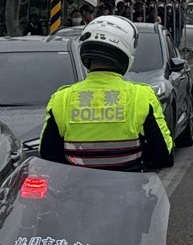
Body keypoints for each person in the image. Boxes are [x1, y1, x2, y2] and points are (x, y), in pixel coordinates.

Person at [39, 14, 175, 170]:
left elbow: (48, 154)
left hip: (78, 190)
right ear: (127, 51)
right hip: (129, 190)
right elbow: (164, 155)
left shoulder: (61, 99)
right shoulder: (141, 96)